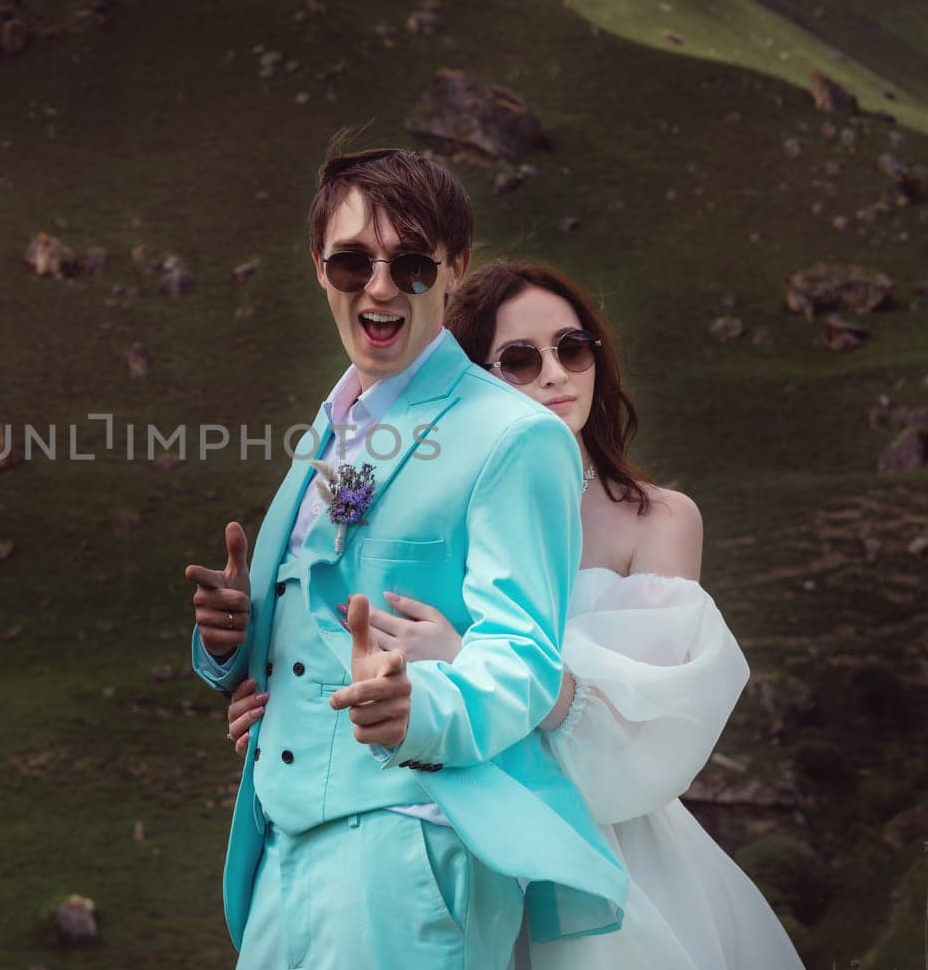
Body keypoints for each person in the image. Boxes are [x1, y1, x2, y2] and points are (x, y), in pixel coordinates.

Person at [223, 259, 805, 970]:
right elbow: (351, 644)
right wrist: (289, 708)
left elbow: (655, 721)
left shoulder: (659, 518)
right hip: (449, 828)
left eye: (573, 347)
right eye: (520, 360)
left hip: (604, 847)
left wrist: (469, 656)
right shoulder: (440, 501)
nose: (556, 374)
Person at [187, 148, 627, 970]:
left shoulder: (514, 436)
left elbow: (524, 657)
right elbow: (317, 630)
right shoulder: (330, 424)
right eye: (353, 260)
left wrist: (417, 709)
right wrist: (231, 640)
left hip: (411, 847)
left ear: (454, 273)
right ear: (320, 269)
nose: (380, 286)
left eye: (412, 263)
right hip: (283, 843)